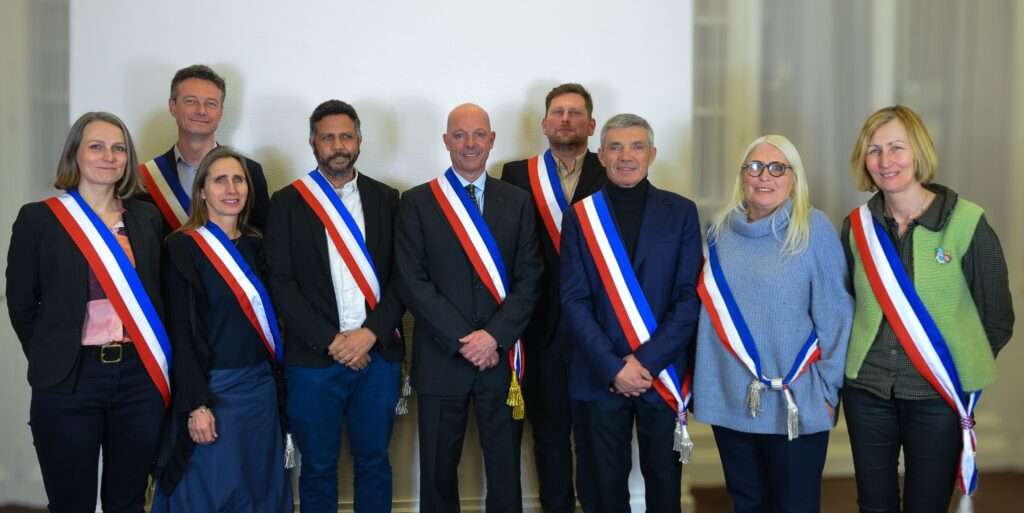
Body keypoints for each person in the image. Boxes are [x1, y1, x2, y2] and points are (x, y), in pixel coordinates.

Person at [841, 105, 1014, 512]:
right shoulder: (856, 227)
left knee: (927, 505)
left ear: (918, 151)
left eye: (896, 147)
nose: (886, 161)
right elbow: (848, 304)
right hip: (867, 390)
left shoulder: (968, 222)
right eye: (874, 150)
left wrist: (958, 371)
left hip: (937, 393)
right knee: (874, 505)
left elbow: (997, 318)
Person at [6, 112, 169, 513]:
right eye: (96, 146)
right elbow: (22, 304)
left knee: (127, 500)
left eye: (119, 149)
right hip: (71, 377)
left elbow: (160, 295)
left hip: (137, 377)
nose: (109, 157)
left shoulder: (146, 217)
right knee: (70, 502)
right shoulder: (39, 219)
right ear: (74, 155)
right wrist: (54, 357)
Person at [693, 135, 853, 513]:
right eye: (754, 167)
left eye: (777, 167)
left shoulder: (814, 229)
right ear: (742, 176)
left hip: (796, 402)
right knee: (746, 502)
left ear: (794, 178)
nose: (764, 176)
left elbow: (837, 316)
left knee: (793, 505)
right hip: (732, 401)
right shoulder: (717, 233)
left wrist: (829, 392)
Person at [396, 103, 542, 513]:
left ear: (492, 140)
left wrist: (493, 337)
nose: (470, 143)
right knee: (438, 474)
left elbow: (531, 278)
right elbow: (412, 281)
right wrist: (465, 339)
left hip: (500, 359)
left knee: (505, 471)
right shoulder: (418, 202)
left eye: (479, 134)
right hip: (443, 358)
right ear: (446, 142)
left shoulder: (517, 202)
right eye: (459, 135)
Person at [265, 100, 405, 513]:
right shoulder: (287, 202)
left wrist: (368, 336)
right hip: (313, 360)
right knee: (319, 466)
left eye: (346, 136)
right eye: (328, 137)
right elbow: (281, 283)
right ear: (313, 143)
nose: (338, 145)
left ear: (360, 141)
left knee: (375, 462)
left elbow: (402, 278)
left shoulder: (387, 198)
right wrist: (333, 341)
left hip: (376, 357)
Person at [560, 113, 701, 513]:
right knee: (602, 488)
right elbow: (574, 300)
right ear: (600, 155)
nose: (626, 156)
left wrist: (646, 362)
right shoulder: (580, 217)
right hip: (598, 375)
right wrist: (613, 367)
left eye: (636, 146)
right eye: (616, 147)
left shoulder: (681, 212)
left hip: (661, 376)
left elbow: (688, 298)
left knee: (664, 486)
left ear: (652, 154)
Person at [152, 146, 291, 512]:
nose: (231, 189)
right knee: (211, 491)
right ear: (202, 191)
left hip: (261, 392)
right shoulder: (182, 247)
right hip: (214, 394)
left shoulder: (260, 245)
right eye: (220, 180)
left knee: (259, 491)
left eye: (239, 179)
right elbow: (180, 333)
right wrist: (196, 403)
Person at [500, 83, 606, 513]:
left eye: (576, 113)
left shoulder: (612, 167)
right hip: (540, 330)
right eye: (558, 112)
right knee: (549, 437)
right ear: (544, 123)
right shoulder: (514, 174)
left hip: (598, 330)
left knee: (598, 436)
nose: (566, 119)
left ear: (592, 124)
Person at [137, 64, 270, 233]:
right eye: (191, 101)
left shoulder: (249, 172)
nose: (201, 111)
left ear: (221, 111)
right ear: (172, 106)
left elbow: (262, 241)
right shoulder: (145, 179)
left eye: (211, 104)